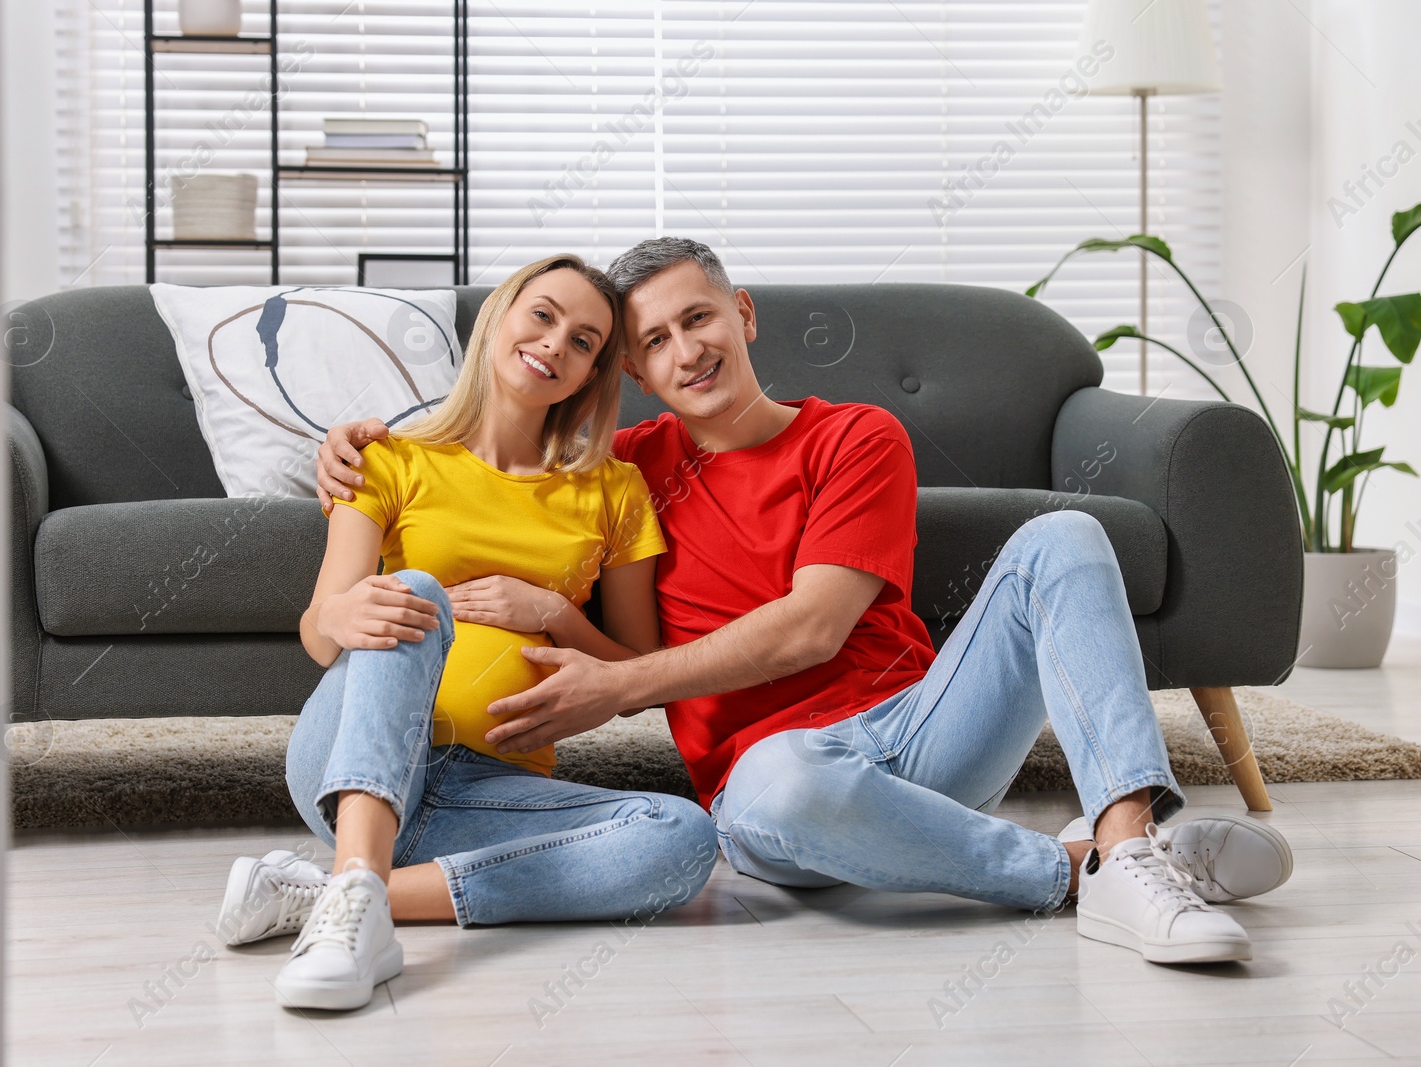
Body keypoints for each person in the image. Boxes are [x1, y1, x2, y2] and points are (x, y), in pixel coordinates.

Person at [316, 237, 1294, 968]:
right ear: (632, 372)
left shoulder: (854, 435)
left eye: (697, 318)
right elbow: (488, 459)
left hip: (920, 731)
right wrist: (351, 446)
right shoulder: (616, 475)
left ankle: (1124, 840)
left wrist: (619, 686)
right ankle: (1077, 866)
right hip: (770, 785)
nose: (684, 350)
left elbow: (815, 625)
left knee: (1067, 536)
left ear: (741, 314)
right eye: (652, 340)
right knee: (780, 781)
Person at [219, 254, 718, 1013]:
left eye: (584, 341)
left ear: (591, 374)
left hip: (493, 790)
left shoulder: (613, 489)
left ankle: (345, 892)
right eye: (543, 315)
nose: (555, 344)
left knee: (680, 836)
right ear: (499, 316)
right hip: (358, 755)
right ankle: (354, 903)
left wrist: (553, 613)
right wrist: (342, 614)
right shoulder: (388, 457)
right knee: (415, 592)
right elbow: (321, 634)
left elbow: (636, 676)